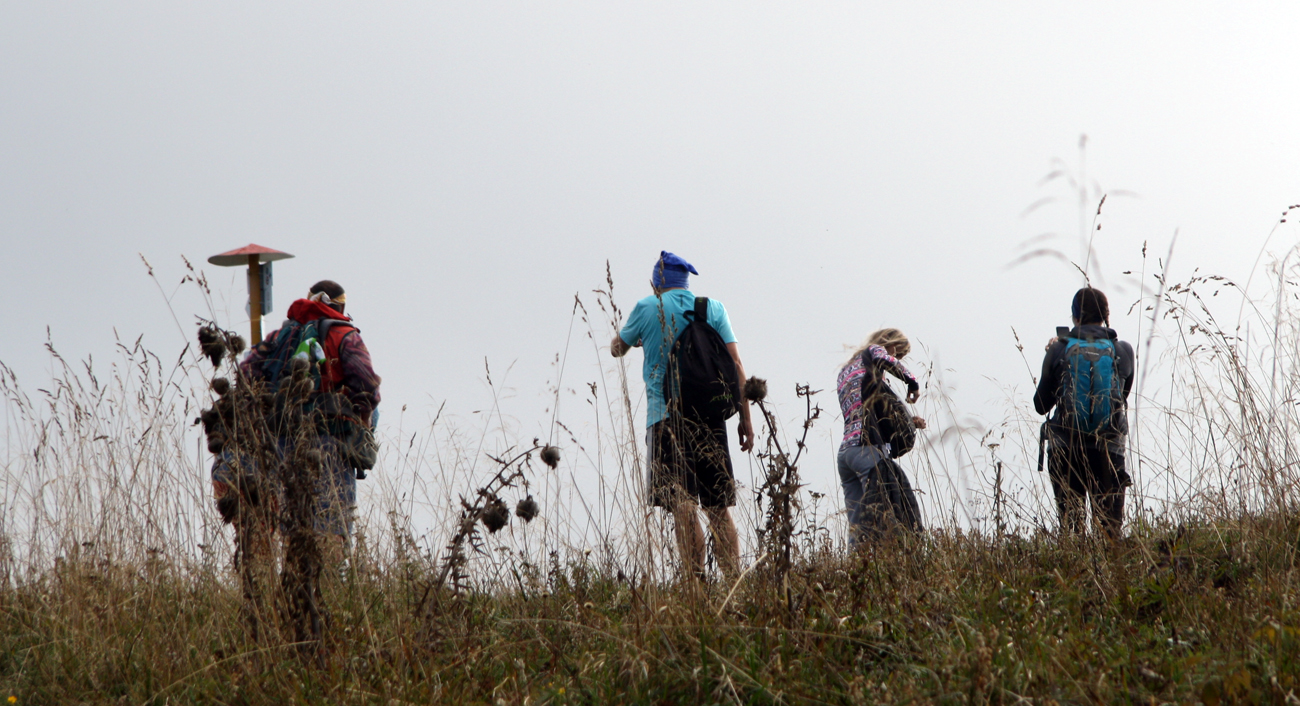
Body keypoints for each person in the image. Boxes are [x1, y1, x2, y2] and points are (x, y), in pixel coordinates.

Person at [611, 252, 753, 581]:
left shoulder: (647, 307)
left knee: (683, 507)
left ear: (655, 285)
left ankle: (695, 585)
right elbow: (737, 365)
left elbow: (618, 349)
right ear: (686, 283)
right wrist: (745, 419)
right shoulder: (712, 308)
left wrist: (638, 338)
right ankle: (734, 583)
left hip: (665, 420)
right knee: (718, 507)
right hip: (710, 417)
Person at [212, 279, 382, 542]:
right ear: (340, 306)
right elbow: (367, 385)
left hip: (276, 444)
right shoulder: (345, 335)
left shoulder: (278, 337)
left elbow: (245, 378)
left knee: (290, 529)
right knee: (330, 529)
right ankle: (330, 566)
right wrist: (363, 425)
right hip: (329, 445)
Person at [1033, 287, 1134, 540]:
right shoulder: (1123, 351)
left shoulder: (1059, 350)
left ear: (1075, 316)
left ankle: (1074, 560)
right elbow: (1121, 397)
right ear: (1106, 316)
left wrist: (1052, 359)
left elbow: (1041, 405)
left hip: (1066, 450)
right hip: (1108, 450)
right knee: (1109, 533)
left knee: (1072, 530)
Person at [835, 328, 927, 544]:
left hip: (846, 454)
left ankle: (854, 563)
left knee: (857, 526)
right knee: (886, 517)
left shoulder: (846, 370)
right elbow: (884, 358)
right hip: (866, 450)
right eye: (897, 353)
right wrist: (912, 382)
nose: (896, 358)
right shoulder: (874, 351)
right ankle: (894, 559)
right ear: (890, 344)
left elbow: (866, 410)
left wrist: (909, 421)